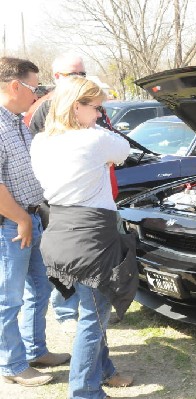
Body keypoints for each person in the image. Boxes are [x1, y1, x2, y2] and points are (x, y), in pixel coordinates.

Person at [30, 76, 137, 398]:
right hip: (90, 238)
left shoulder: (41, 140)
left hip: (58, 233)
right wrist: (98, 129)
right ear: (77, 106)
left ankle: (105, 372)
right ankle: (83, 391)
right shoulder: (94, 139)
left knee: (92, 309)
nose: (101, 115)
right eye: (97, 108)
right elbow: (125, 150)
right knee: (93, 318)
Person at [25, 53, 121, 333]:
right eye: (71, 74)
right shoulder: (47, 109)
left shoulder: (93, 106)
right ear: (56, 78)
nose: (78, 77)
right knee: (70, 265)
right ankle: (68, 313)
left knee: (95, 267)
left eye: (82, 72)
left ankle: (93, 314)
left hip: (101, 198)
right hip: (68, 204)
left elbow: (110, 146)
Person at [0, 56, 71, 387]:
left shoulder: (16, 120)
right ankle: (12, 364)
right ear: (15, 85)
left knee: (39, 287)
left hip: (31, 217)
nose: (38, 93)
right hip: (11, 227)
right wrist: (21, 220)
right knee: (8, 298)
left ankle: (34, 350)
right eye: (35, 86)